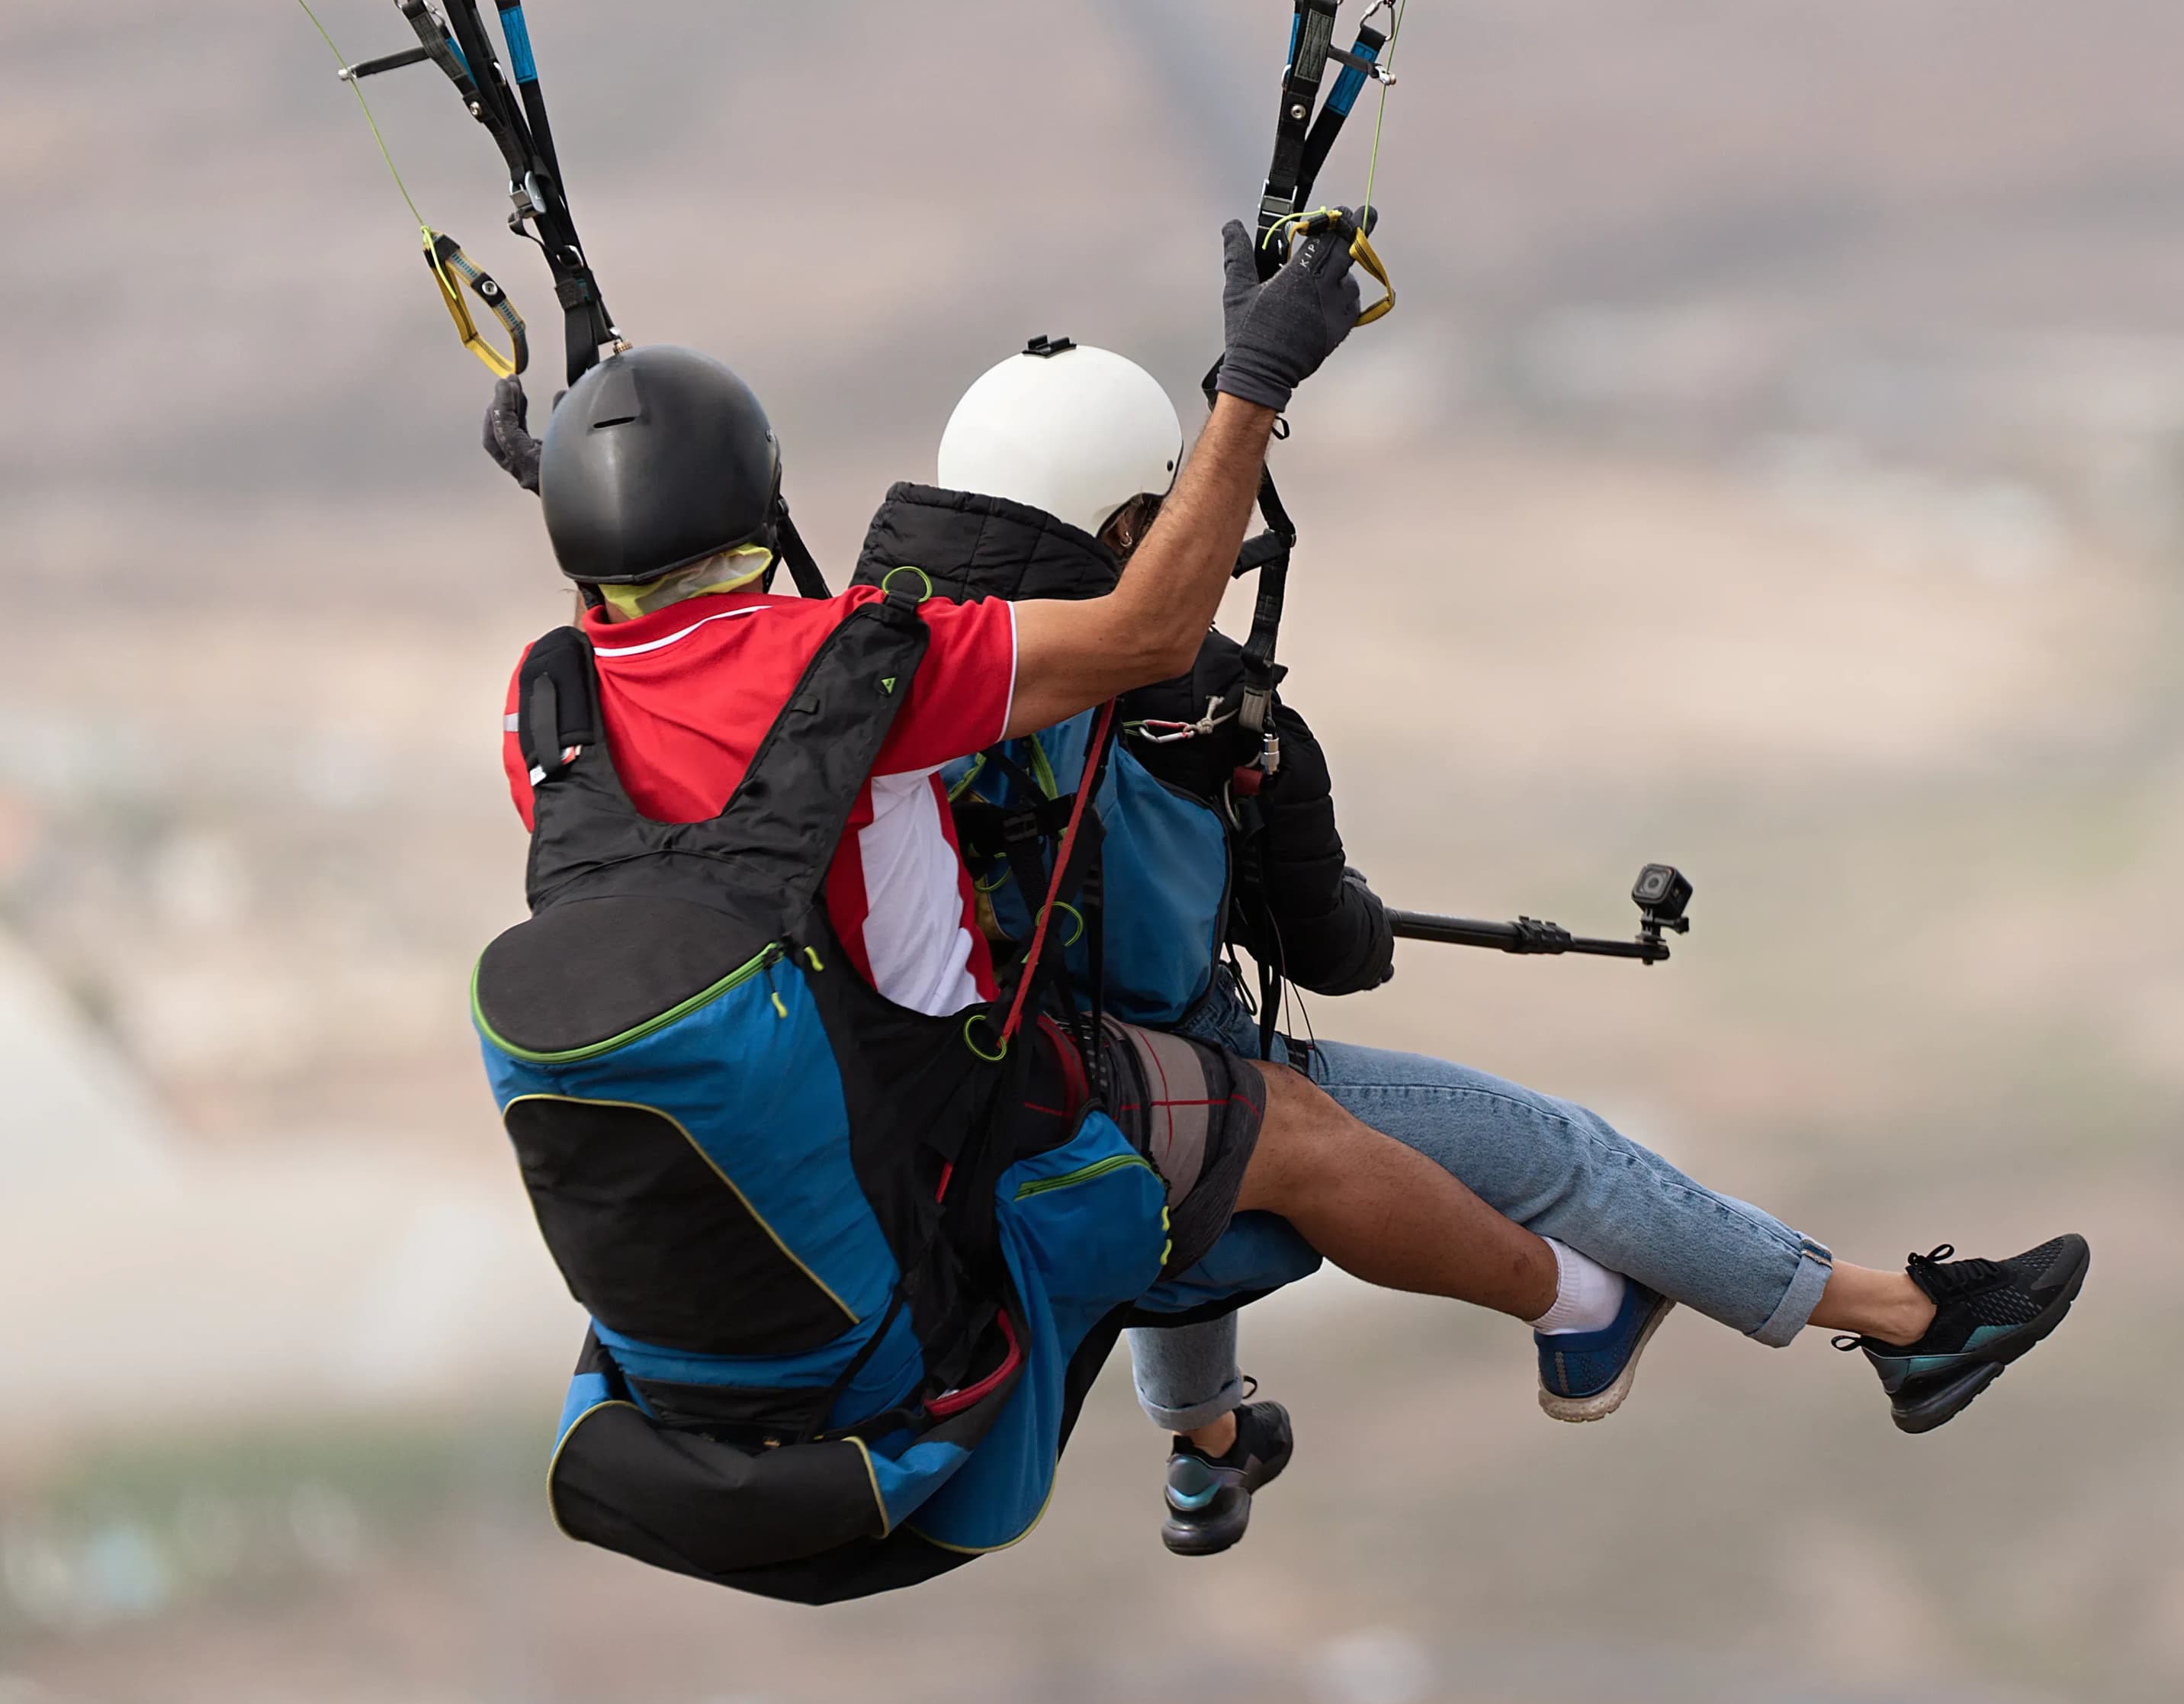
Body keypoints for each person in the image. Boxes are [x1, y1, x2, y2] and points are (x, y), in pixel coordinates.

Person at [474, 215, 1672, 1600]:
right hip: (962, 1121)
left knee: (1197, 1151)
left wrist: (579, 484)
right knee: (1281, 1130)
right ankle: (1582, 1304)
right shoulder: (875, 669)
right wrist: (1257, 383)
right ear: (759, 506)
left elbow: (677, 670)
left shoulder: (544, 706)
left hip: (788, 1147)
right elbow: (1152, 633)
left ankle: (1209, 1439)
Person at [844, 330, 2095, 1559]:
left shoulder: (857, 664)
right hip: (1141, 1102)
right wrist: (1336, 893)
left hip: (966, 1106)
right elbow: (1332, 953)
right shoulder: (1210, 708)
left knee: (1193, 1119)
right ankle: (1912, 1321)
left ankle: (1208, 1447)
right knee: (1538, 1153)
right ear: (1131, 525)